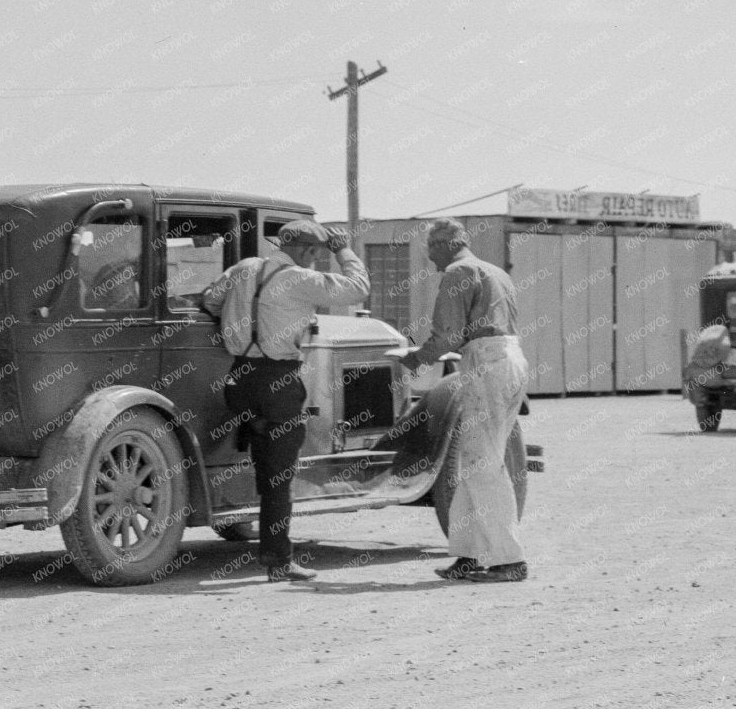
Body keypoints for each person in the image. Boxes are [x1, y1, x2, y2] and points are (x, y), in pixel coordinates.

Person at [200, 220, 370, 582]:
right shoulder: (301, 279)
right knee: (280, 476)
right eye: (316, 254)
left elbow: (210, 301)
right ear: (309, 252)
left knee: (260, 458)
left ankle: (242, 512)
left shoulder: (244, 267)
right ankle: (278, 561)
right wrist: (343, 250)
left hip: (239, 378)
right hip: (277, 383)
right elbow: (358, 288)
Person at [396, 219, 529, 583]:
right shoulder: (494, 272)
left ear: (442, 245)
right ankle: (468, 554)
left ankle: (508, 560)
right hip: (508, 359)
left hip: (486, 363)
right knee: (474, 462)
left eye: (430, 249)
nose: (430, 259)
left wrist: (415, 359)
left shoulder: (457, 272)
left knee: (482, 465)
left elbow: (448, 335)